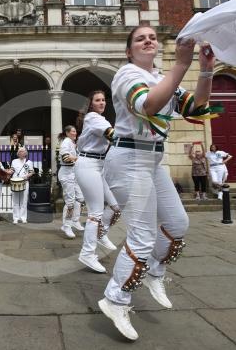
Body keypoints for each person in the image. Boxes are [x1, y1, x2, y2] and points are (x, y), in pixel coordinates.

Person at [99, 25, 216, 340]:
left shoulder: (162, 77)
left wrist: (205, 70)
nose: (148, 40)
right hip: (128, 159)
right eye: (140, 38)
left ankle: (153, 272)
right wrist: (182, 64)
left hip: (152, 160)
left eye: (152, 36)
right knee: (142, 236)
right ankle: (115, 299)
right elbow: (148, 105)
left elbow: (198, 109)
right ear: (129, 51)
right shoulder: (126, 74)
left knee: (177, 225)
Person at [74, 90, 121, 273]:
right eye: (97, 100)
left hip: (99, 165)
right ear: (91, 104)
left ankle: (100, 234)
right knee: (95, 212)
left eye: (103, 100)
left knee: (116, 207)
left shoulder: (100, 118)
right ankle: (88, 253)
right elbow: (113, 135)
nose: (101, 103)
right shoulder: (93, 117)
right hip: (87, 164)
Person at [58, 125, 85, 238]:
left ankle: (74, 220)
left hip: (74, 174)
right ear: (67, 133)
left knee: (80, 198)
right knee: (70, 202)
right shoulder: (66, 142)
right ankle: (67, 226)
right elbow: (66, 159)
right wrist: (81, 158)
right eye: (73, 131)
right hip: (66, 174)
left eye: (75, 131)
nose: (75, 133)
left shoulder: (72, 143)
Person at [10, 146, 34, 223]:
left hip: (25, 182)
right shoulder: (14, 161)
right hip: (15, 182)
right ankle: (16, 218)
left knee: (24, 200)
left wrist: (27, 176)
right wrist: (7, 172)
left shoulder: (29, 162)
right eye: (20, 151)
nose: (21, 152)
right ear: (18, 153)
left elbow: (31, 172)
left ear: (26, 153)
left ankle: (23, 217)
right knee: (16, 201)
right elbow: (12, 170)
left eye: (23, 151)